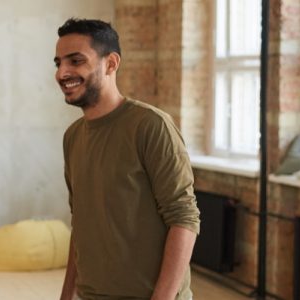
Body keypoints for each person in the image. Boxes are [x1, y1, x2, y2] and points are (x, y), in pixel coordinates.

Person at [53, 18, 200, 300]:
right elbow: (81, 223)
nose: (63, 72)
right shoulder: (72, 136)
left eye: (75, 61)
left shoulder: (151, 125)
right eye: (58, 63)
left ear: (111, 63)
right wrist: (66, 294)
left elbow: (184, 219)